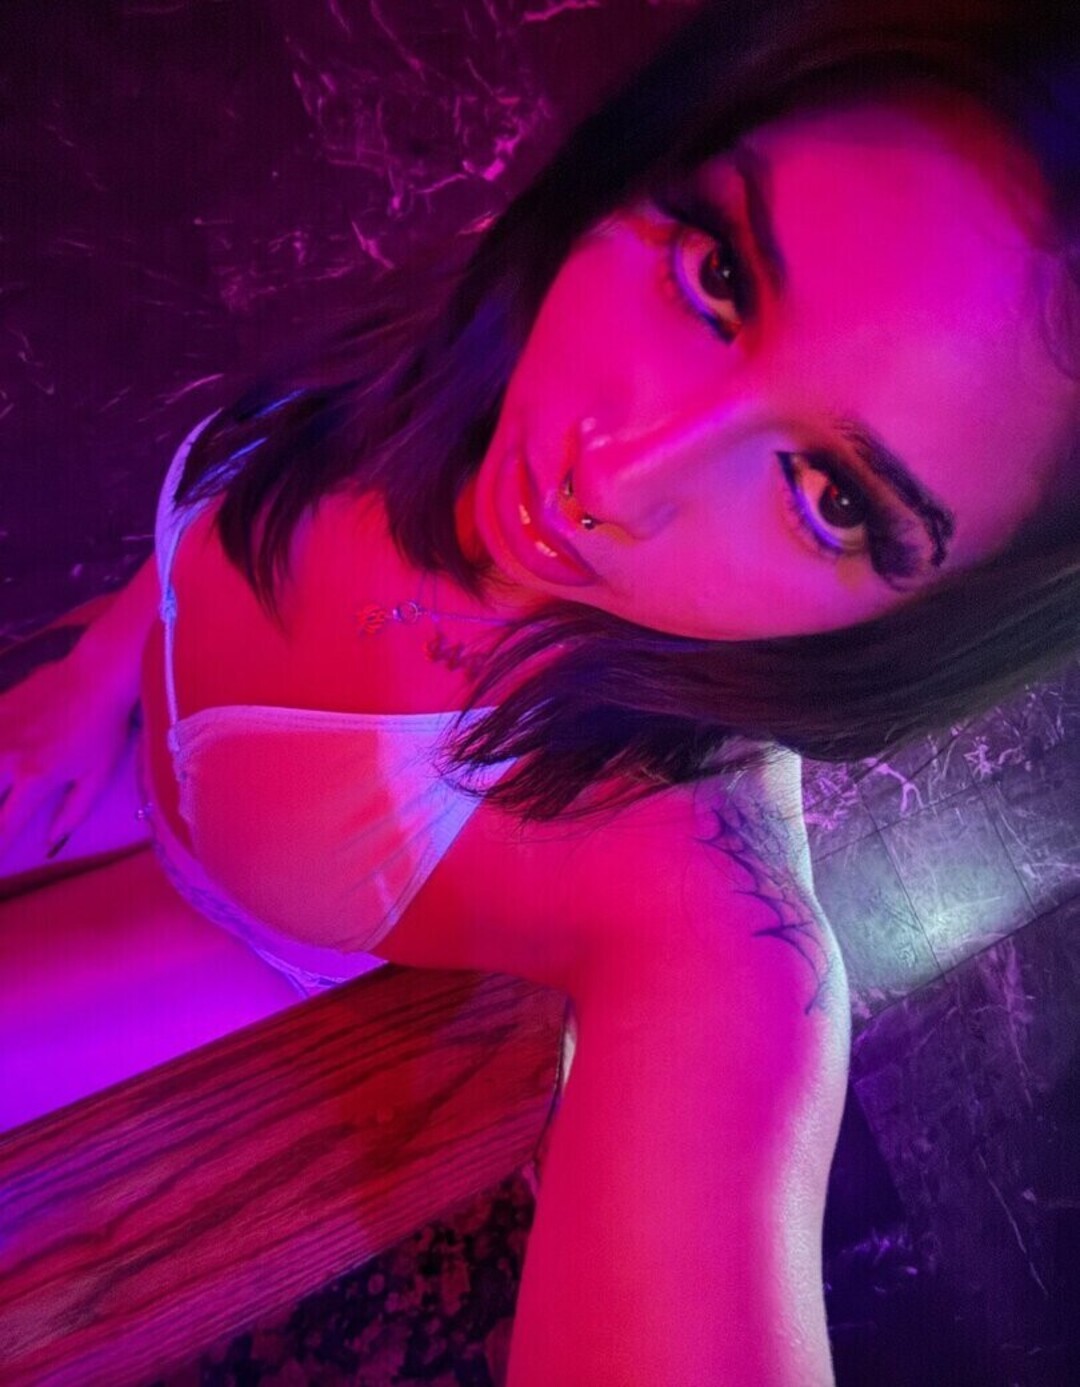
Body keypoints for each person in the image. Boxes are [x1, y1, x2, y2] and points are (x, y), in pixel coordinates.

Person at [1, 0, 1078, 1379]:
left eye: (832, 498)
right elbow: (217, 521)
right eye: (721, 275)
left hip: (203, 927)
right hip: (96, 713)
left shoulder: (693, 917)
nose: (614, 474)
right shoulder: (517, 298)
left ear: (927, 624)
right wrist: (97, 669)